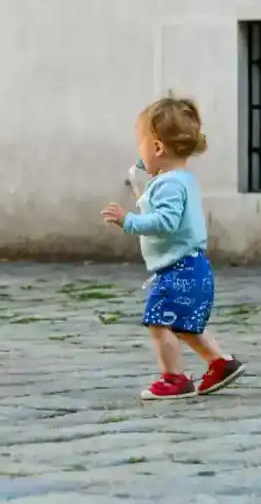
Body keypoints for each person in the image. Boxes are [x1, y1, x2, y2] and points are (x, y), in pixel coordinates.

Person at [102, 97, 245, 400]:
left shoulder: (168, 185)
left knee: (159, 321)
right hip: (193, 266)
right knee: (185, 324)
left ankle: (175, 378)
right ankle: (221, 363)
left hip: (178, 268)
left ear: (158, 148)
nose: (138, 153)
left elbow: (165, 221)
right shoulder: (181, 179)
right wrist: (150, 170)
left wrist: (128, 221)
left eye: (142, 145)